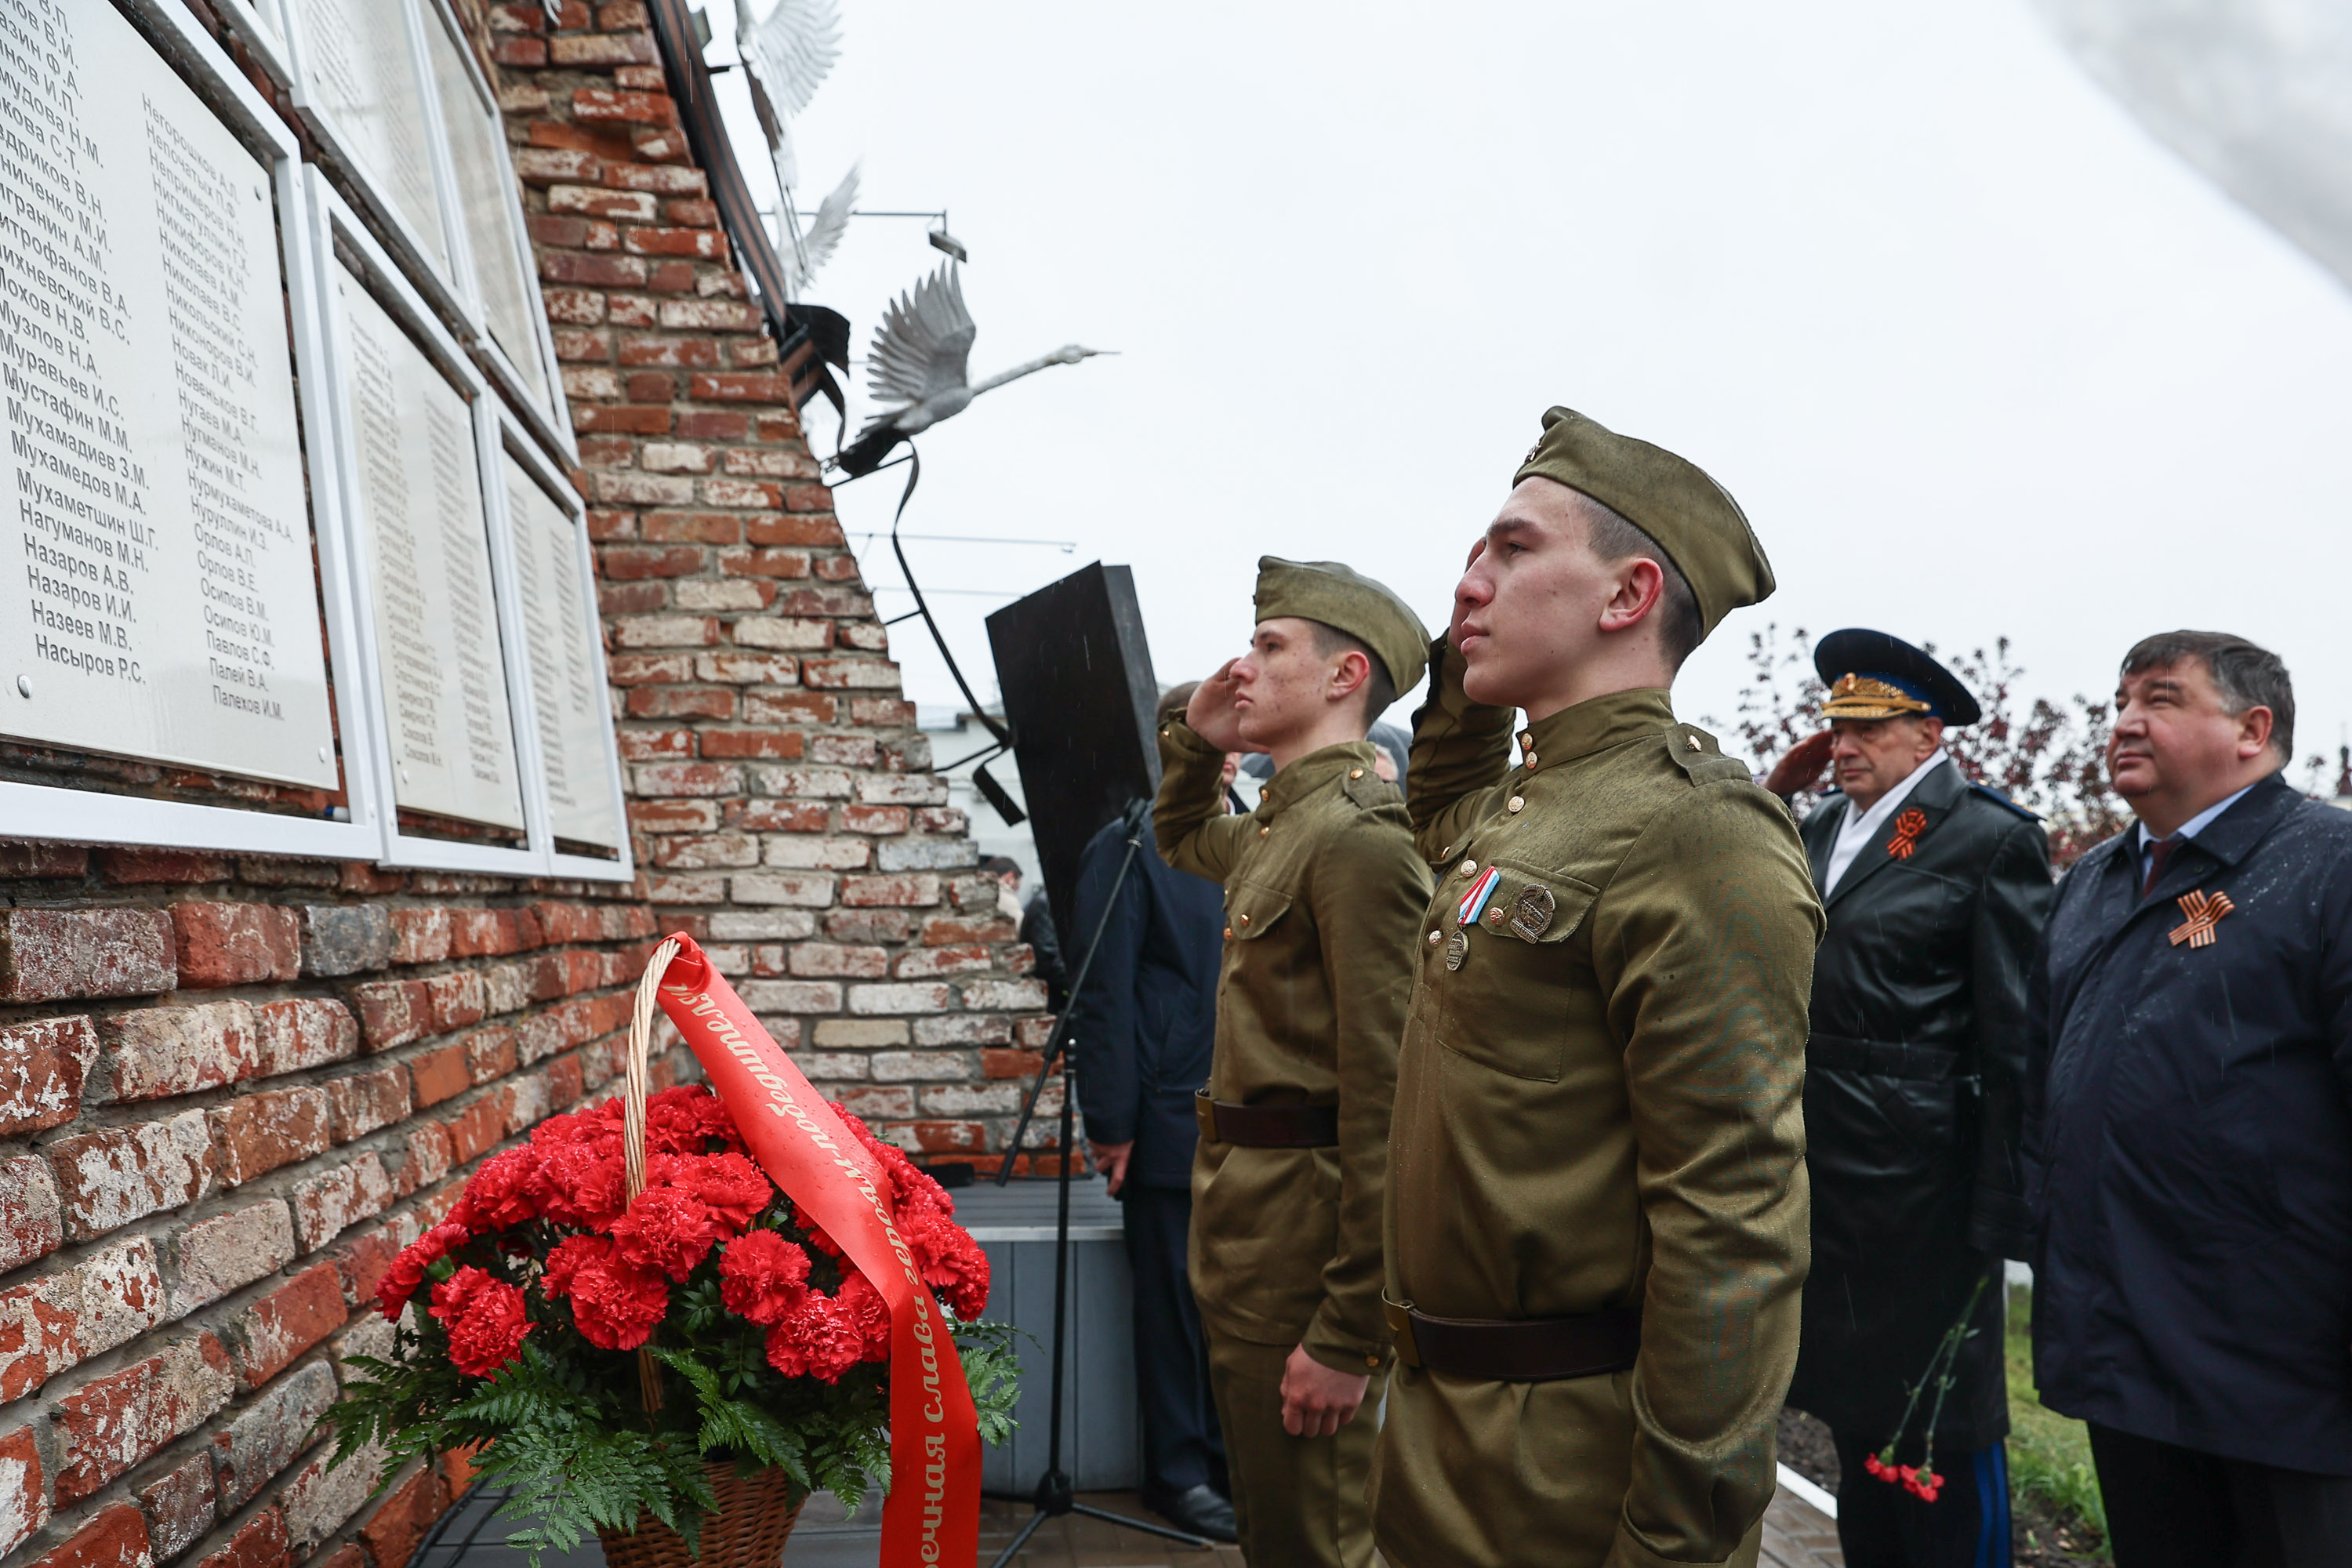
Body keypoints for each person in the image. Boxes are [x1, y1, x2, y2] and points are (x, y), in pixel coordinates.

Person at [1376, 406, 1822, 1568]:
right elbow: (1436, 813)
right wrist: (1466, 665)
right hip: (1443, 1431)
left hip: (1563, 1465)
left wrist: (1677, 1537)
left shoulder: (1697, 829)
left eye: (1512, 549)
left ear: (1626, 598)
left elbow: (1733, 1225)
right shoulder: (1535, 802)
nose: (1468, 582)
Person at [2024, 631, 2352, 1568]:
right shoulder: (2093, 879)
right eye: (2120, 699)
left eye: (2161, 698)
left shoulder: (2329, 867)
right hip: (2125, 1348)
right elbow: (2045, 1079)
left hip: (2285, 1374)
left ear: (2254, 728)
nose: (2125, 720)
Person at [1155, 557, 1435, 1568]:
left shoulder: (1358, 840)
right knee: (1277, 1529)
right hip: (1249, 1224)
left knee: (1317, 1541)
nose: (1243, 666)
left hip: (1304, 1246)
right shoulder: (1287, 821)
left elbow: (1391, 1105)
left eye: (1270, 647)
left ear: (1343, 675)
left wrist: (1349, 1329)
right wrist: (1198, 730)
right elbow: (1182, 834)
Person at [1764, 629, 2052, 1568]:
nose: (1843, 744)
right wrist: (1773, 783)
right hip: (1826, 1172)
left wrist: (2007, 1202)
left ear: (1927, 734)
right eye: (1834, 725)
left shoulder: (1987, 837)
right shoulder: (1809, 830)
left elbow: (2016, 1036)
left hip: (1927, 1186)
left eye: (1868, 727)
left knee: (1938, 1431)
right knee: (1858, 1425)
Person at [1068, 687, 1240, 1544]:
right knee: (1174, 1305)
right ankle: (1179, 1472)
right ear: (1178, 743)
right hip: (1169, 1118)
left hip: (1256, 1117)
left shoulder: (1259, 832)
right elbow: (1103, 996)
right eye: (1217, 735)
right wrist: (1112, 1124)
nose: (1234, 749)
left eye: (1240, 736)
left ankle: (1228, 1460)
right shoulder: (1128, 843)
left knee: (1236, 1302)